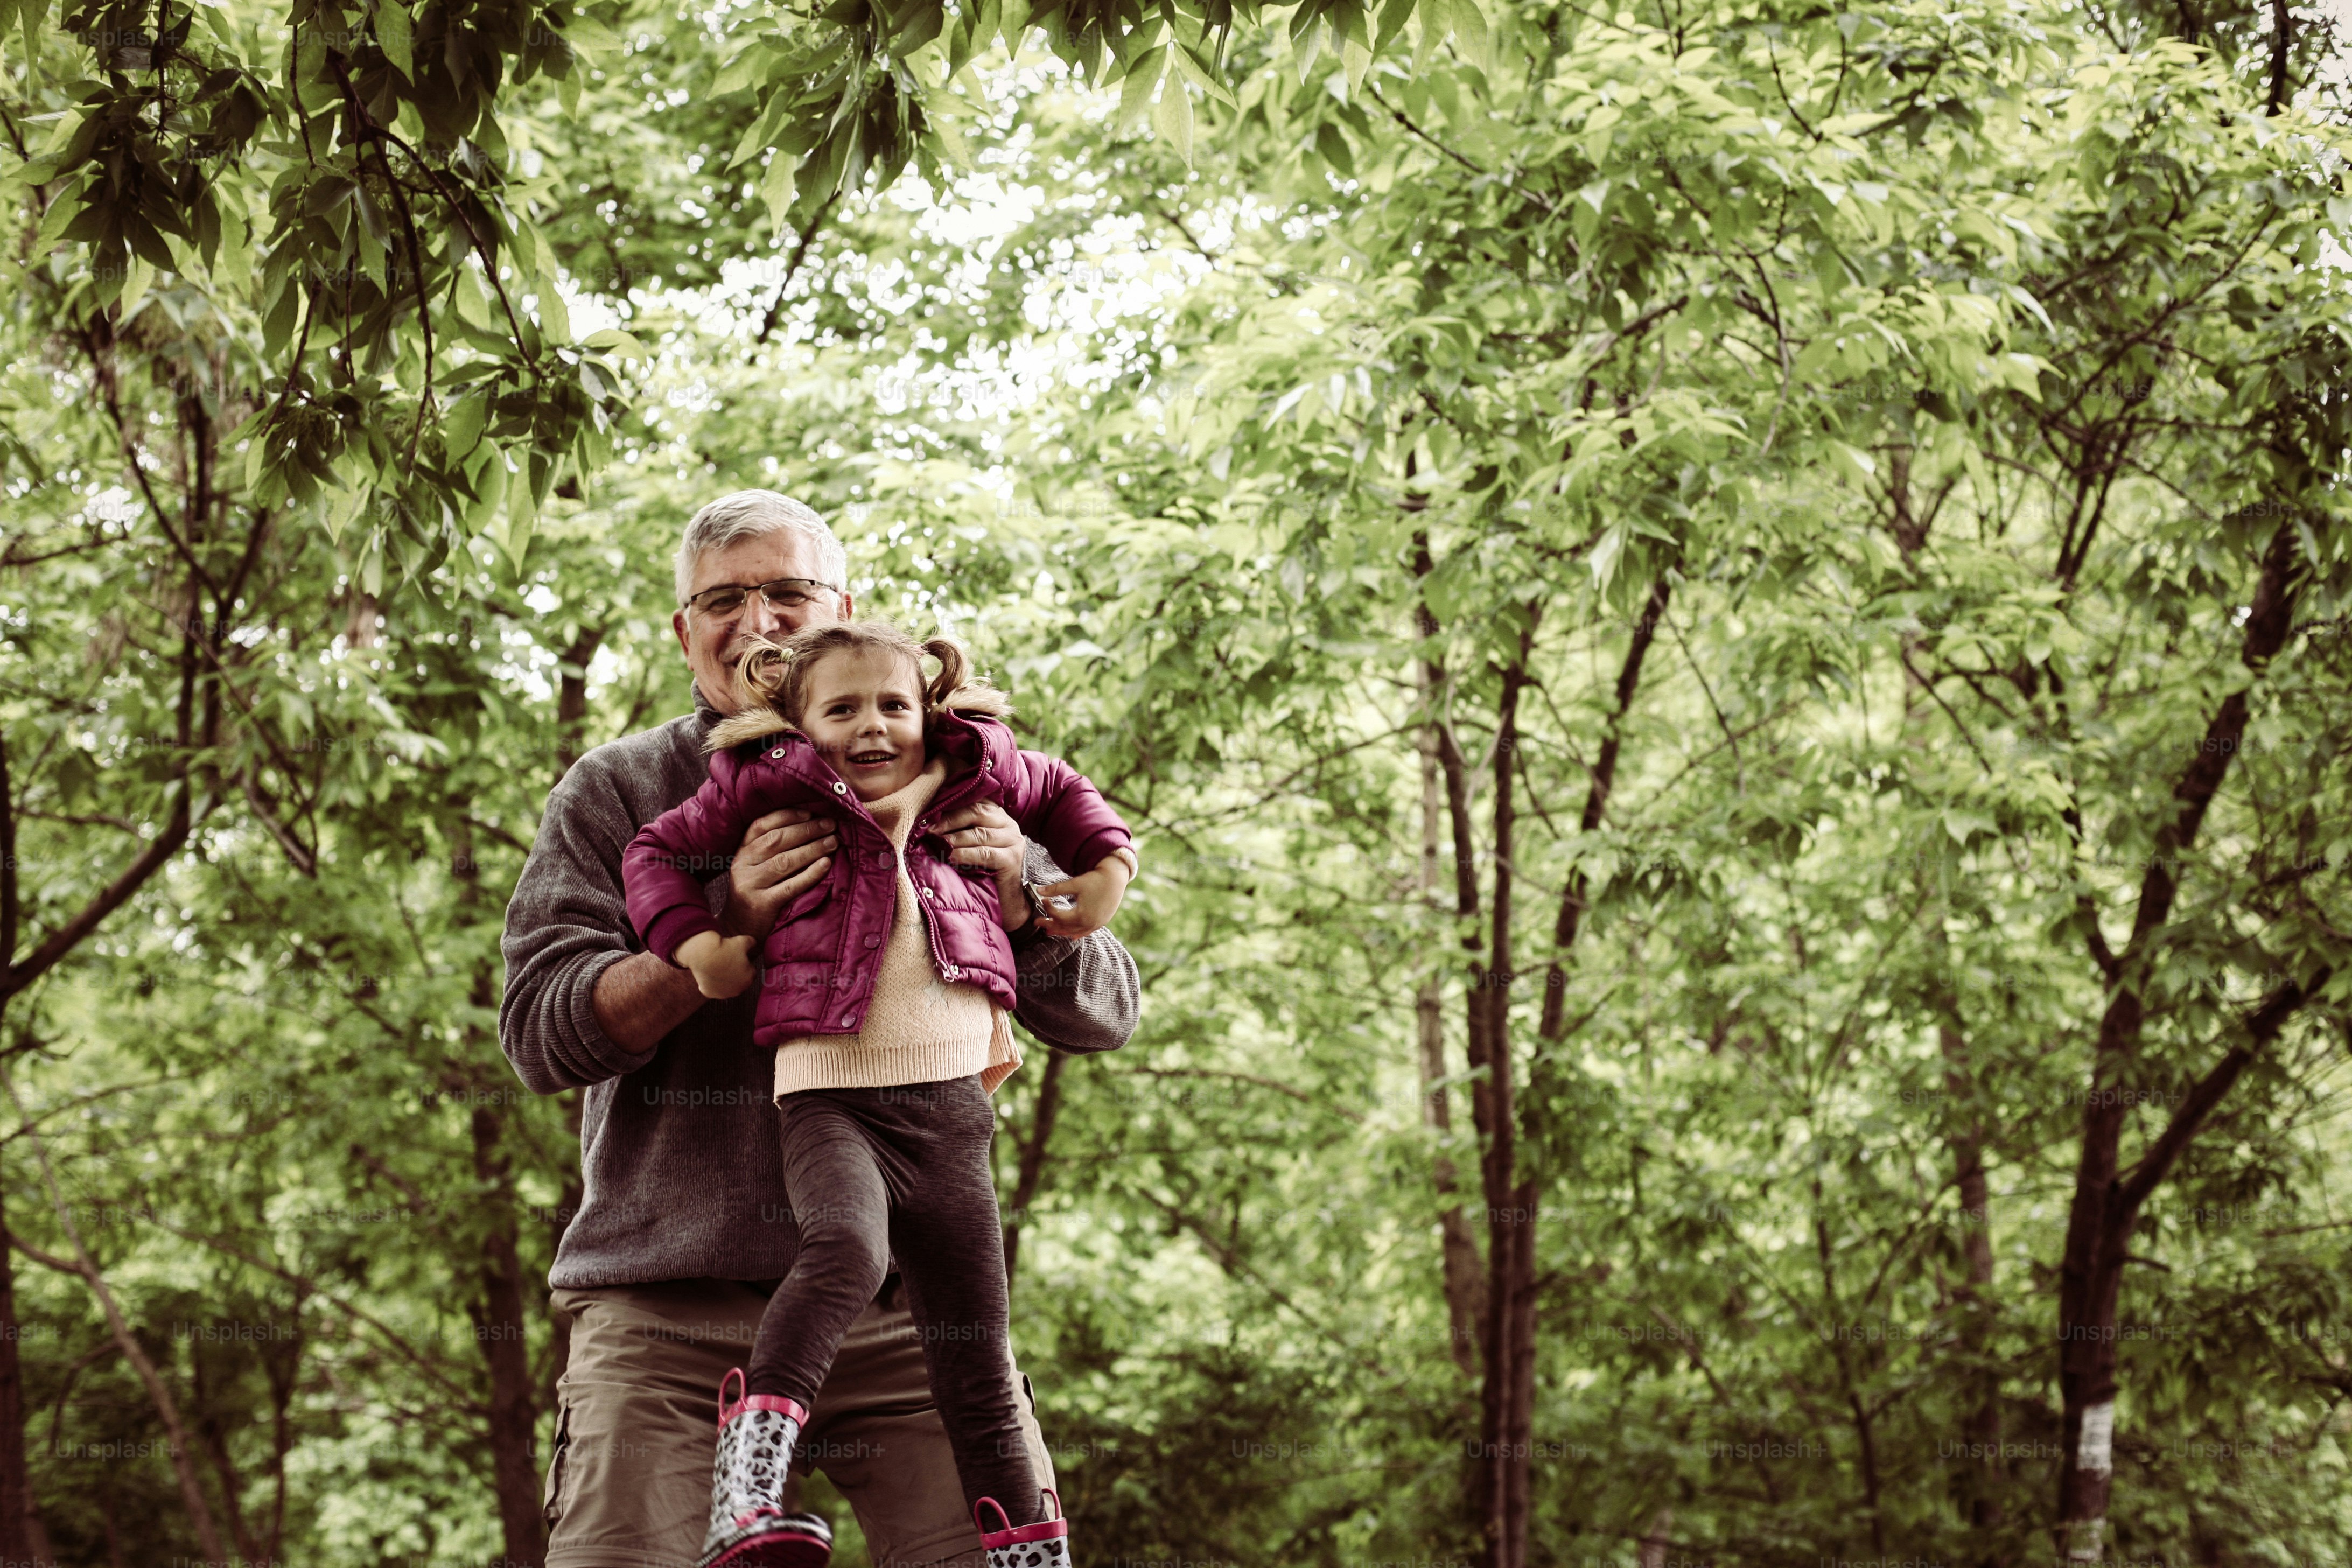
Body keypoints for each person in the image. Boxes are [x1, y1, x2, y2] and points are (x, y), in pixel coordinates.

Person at [499, 491, 1140, 1568]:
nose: (759, 621)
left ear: (842, 607)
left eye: (788, 591)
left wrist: (1026, 904)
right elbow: (540, 1031)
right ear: (684, 631)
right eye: (723, 599)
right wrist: (715, 936)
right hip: (664, 1315)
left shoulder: (944, 768)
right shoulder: (620, 791)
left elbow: (1107, 1006)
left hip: (905, 1314)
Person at [625, 621, 1131, 1567]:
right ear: (796, 722)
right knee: (848, 1250)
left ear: (927, 707)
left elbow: (1067, 794)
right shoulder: (765, 783)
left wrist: (1096, 877)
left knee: (978, 1354)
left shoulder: (977, 770)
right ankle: (748, 1491)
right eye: (841, 710)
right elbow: (654, 853)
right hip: (830, 1095)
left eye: (894, 705)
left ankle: (1028, 1552)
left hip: (950, 1110)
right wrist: (700, 945)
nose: (872, 729)